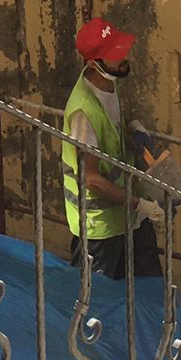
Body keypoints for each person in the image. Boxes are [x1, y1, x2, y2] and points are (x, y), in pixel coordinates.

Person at [62, 17, 163, 280]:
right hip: (101, 227)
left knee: (148, 285)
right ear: (93, 64)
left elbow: (112, 128)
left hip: (128, 216)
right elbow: (91, 179)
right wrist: (139, 205)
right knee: (95, 295)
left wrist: (132, 127)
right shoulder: (83, 112)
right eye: (116, 53)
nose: (124, 56)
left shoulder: (108, 83)